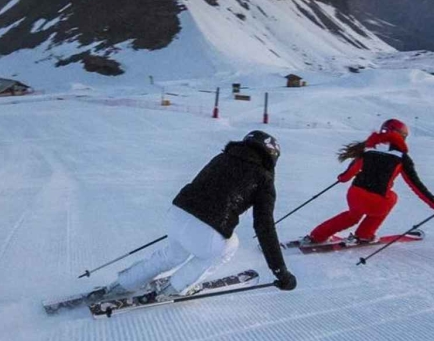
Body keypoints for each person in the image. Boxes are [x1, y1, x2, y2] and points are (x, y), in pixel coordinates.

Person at [109, 130, 297, 304]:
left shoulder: (222, 157)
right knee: (230, 246)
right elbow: (264, 227)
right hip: (205, 229)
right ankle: (174, 288)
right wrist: (280, 272)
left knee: (173, 254)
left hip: (177, 215)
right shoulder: (263, 179)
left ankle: (123, 284)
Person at [303, 118, 434, 247]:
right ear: (402, 136)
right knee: (392, 197)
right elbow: (416, 185)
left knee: (352, 215)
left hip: (354, 195)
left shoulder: (369, 150)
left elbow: (348, 175)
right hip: (376, 200)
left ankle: (317, 236)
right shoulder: (401, 158)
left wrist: (342, 178)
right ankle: (364, 235)